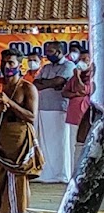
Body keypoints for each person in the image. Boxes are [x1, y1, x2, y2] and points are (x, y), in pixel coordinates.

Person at [0, 48, 40, 213]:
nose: (6, 66)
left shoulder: (27, 88)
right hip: (0, 138)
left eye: (11, 63)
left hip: (19, 140)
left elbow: (31, 116)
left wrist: (10, 103)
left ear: (19, 65)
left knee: (15, 186)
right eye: (4, 62)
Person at [34, 41, 74, 184]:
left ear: (59, 52)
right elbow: (36, 83)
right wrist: (50, 83)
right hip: (43, 107)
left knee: (59, 143)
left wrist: (49, 82)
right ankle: (46, 173)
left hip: (59, 109)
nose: (48, 54)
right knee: (45, 143)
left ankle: (60, 174)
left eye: (51, 51)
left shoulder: (68, 66)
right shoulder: (46, 67)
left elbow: (58, 81)